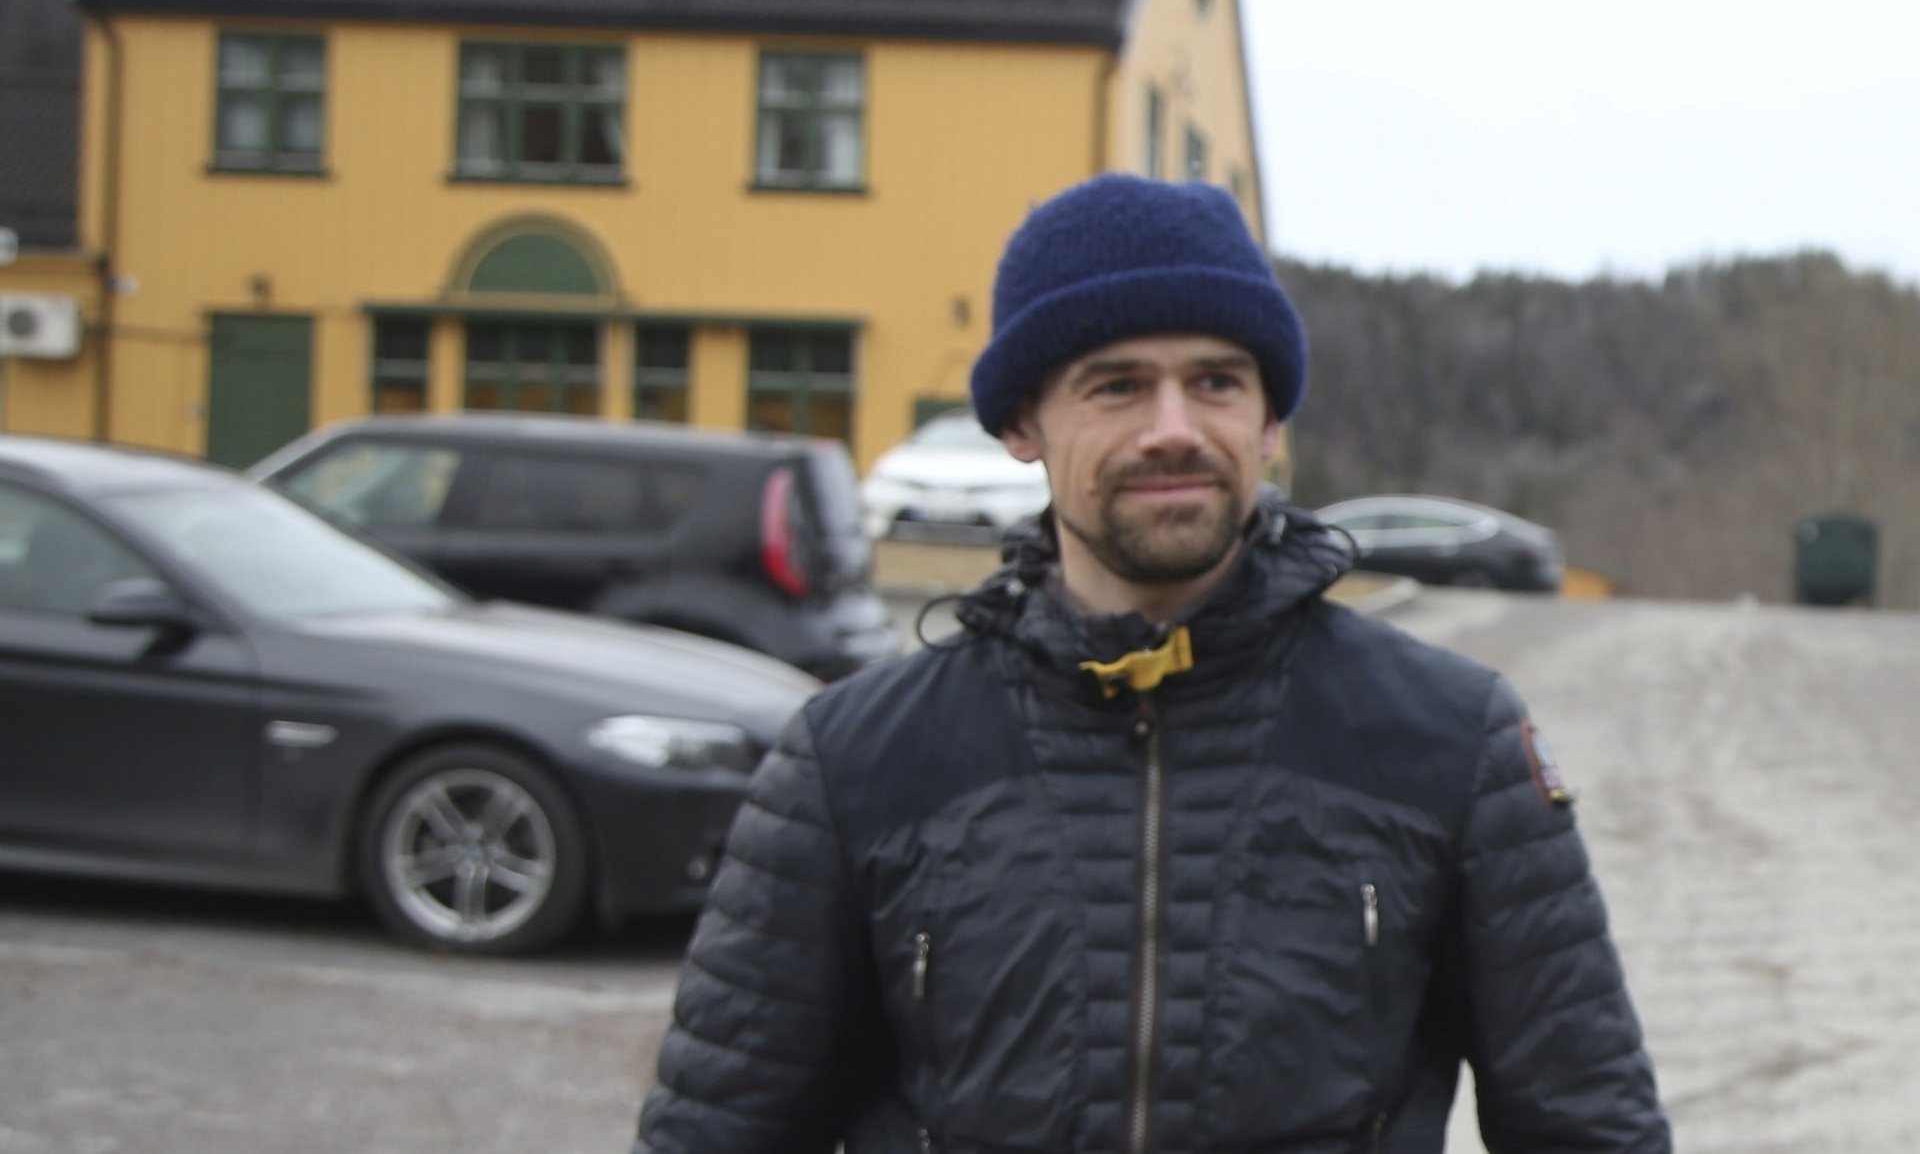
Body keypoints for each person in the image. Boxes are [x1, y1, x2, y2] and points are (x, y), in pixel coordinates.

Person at [635, 174, 1670, 1154]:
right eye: (1118, 385)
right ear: (1022, 423)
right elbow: (716, 1133)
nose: (1173, 429)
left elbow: (1590, 1129)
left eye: (1215, 381)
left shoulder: (1447, 741)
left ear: (1268, 420)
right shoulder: (855, 764)